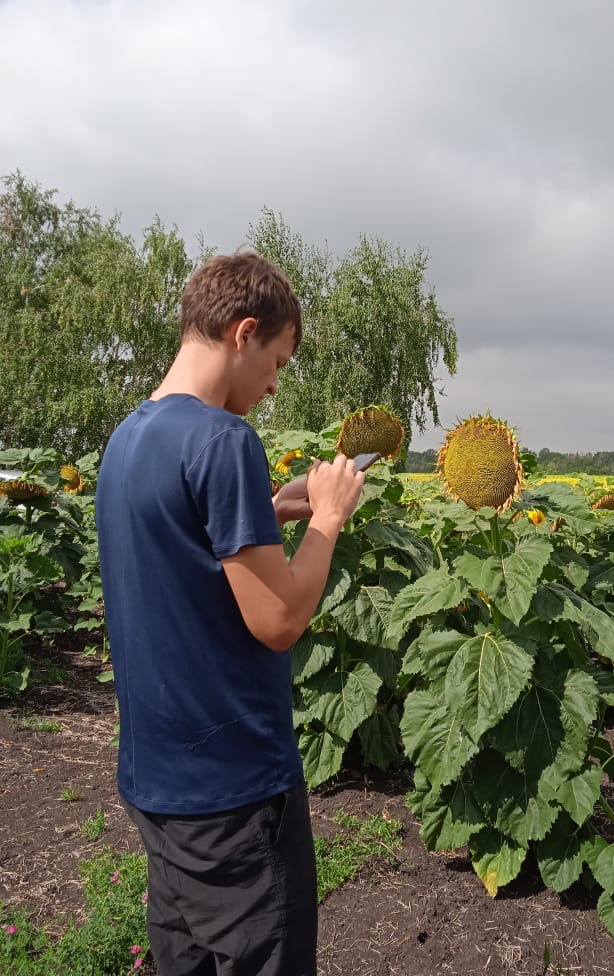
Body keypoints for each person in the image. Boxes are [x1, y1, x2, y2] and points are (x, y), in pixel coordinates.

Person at [95, 251, 365, 976]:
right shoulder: (223, 439)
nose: (275, 385)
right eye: (276, 361)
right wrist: (327, 520)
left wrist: (268, 513)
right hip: (233, 791)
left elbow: (180, 566)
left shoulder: (126, 440)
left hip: (156, 783)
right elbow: (278, 619)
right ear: (244, 332)